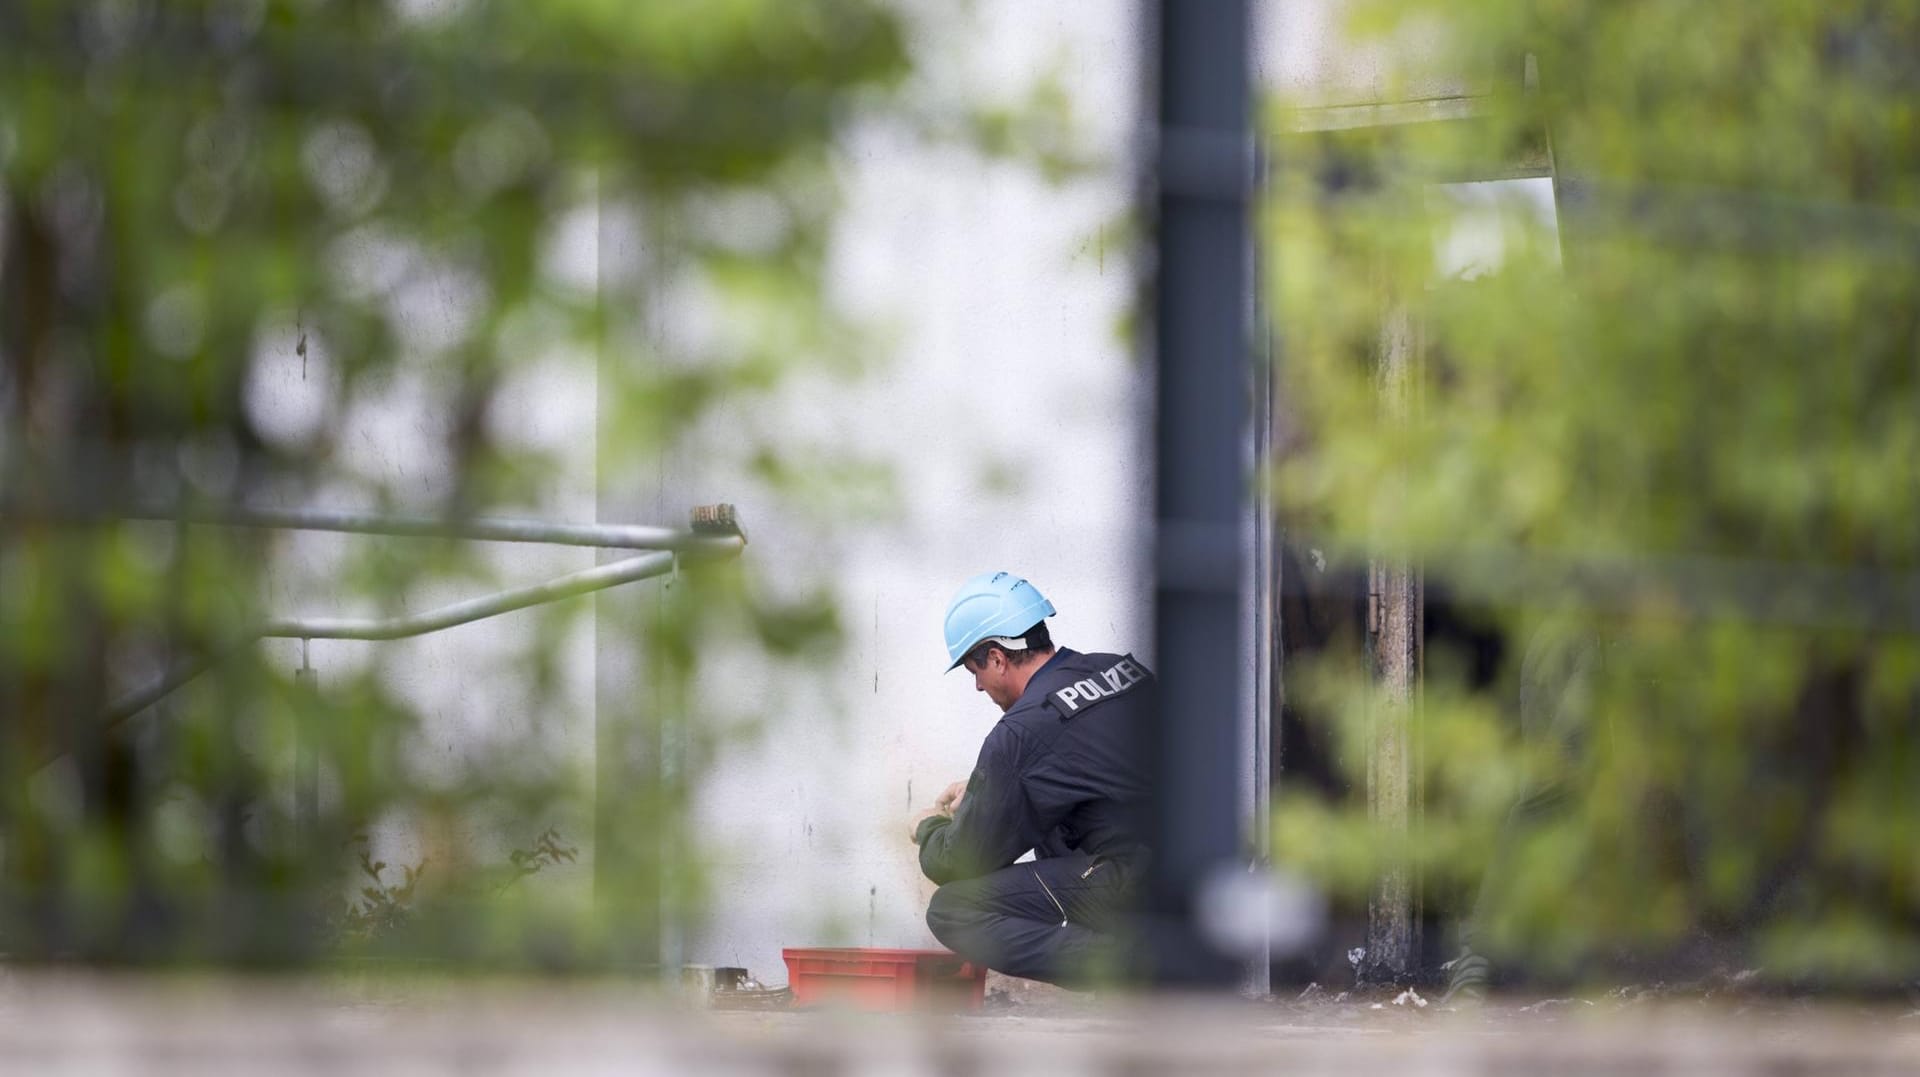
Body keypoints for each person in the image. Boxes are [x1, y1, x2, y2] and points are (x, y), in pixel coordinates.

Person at [908, 571, 1156, 987]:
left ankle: (1126, 966)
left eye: (974, 669)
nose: (977, 686)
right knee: (1051, 820)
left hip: (1133, 881)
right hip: (1190, 866)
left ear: (997, 658)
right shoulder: (1118, 670)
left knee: (952, 909)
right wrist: (984, 792)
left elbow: (962, 860)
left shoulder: (1023, 731)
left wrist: (930, 826)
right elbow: (1084, 768)